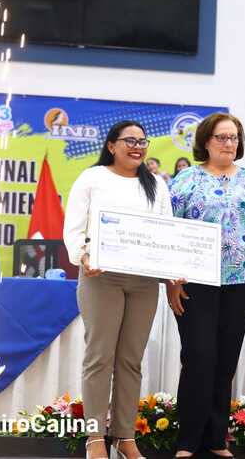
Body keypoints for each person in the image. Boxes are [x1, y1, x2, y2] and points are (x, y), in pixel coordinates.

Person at [167, 113, 245, 458]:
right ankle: (188, 440)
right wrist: (171, 281)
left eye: (234, 138)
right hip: (195, 282)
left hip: (242, 283)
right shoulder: (186, 180)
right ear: (206, 141)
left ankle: (216, 439)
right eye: (222, 137)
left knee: (225, 360)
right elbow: (169, 232)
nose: (229, 143)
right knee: (199, 356)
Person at [63, 120, 173, 459]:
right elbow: (73, 229)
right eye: (130, 141)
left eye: (142, 141)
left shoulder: (156, 184)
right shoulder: (92, 178)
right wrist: (82, 256)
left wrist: (174, 270)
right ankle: (95, 438)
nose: (137, 147)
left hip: (143, 282)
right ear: (111, 145)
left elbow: (166, 231)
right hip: (101, 277)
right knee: (100, 357)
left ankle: (125, 436)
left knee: (131, 360)